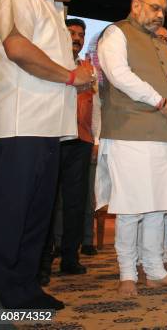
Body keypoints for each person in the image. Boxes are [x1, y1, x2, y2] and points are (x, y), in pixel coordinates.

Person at [0, 0, 92, 309]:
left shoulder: (55, 9)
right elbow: (16, 47)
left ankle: (25, 288)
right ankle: (0, 295)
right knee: (10, 215)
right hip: (18, 125)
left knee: (37, 217)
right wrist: (70, 76)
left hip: (48, 128)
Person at [96, 0, 167, 296]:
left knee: (159, 205)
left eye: (163, 10)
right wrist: (160, 102)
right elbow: (119, 75)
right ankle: (127, 273)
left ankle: (154, 270)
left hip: (164, 135)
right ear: (136, 6)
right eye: (154, 8)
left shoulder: (162, 44)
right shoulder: (116, 34)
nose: (159, 15)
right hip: (129, 133)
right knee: (131, 206)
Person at [39, 18, 102, 285]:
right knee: (48, 202)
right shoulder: (49, 64)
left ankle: (70, 258)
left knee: (77, 202)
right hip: (53, 140)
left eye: (80, 34)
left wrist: (96, 139)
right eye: (72, 33)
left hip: (81, 141)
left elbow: (96, 106)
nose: (76, 38)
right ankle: (43, 263)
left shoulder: (89, 70)